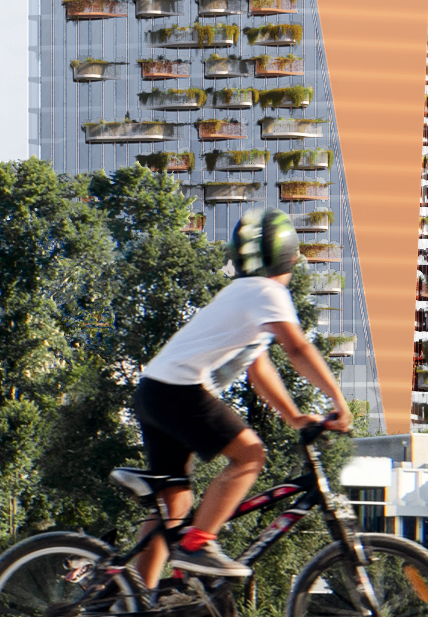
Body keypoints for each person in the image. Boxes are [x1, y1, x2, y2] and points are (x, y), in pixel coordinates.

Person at [134, 217, 356, 587]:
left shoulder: (241, 293)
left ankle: (137, 599)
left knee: (173, 505)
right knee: (250, 456)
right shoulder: (268, 293)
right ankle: (199, 544)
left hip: (154, 392)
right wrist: (338, 400)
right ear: (289, 259)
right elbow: (298, 348)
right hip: (181, 390)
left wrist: (294, 416)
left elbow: (257, 365)